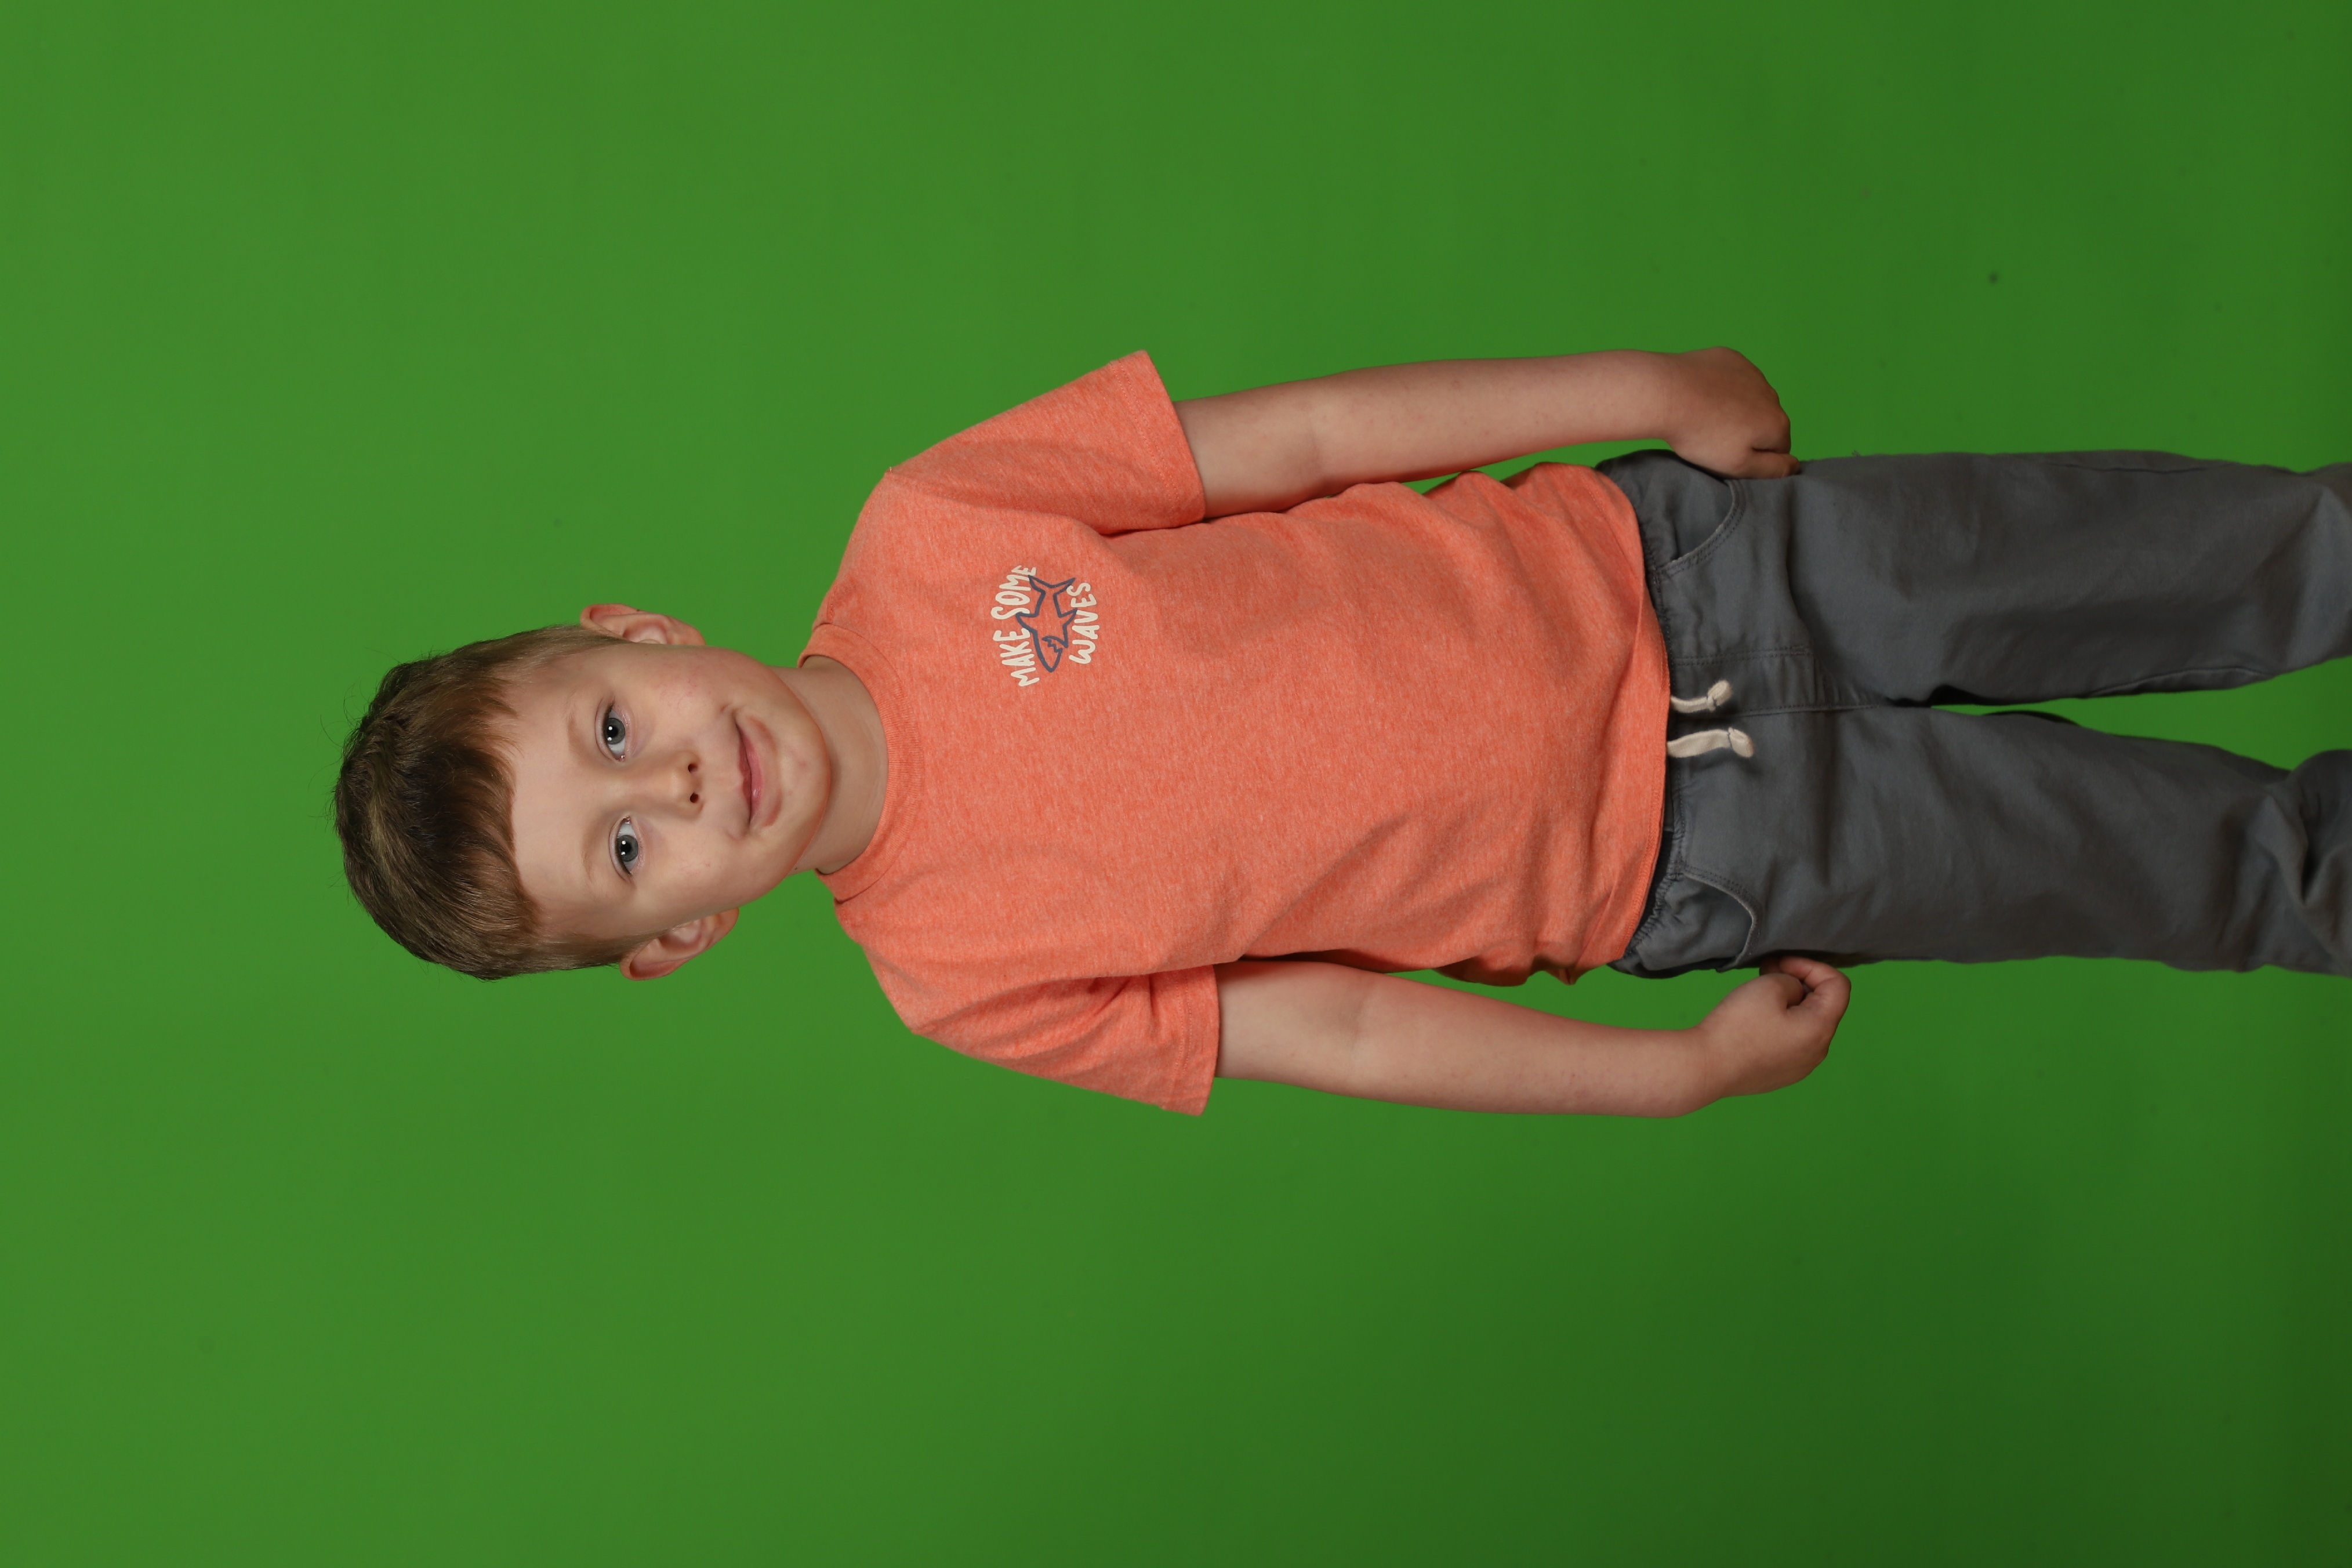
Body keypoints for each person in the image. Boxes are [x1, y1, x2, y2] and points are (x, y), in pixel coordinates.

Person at [333, 349, 2352, 1117]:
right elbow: (1344, 1030)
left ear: (639, 632)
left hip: (1696, 570)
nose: (679, 780)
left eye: (615, 725)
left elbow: (1295, 438)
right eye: (627, 846)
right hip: (1700, 855)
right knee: (2207, 871)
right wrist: (1660, 1083)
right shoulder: (957, 977)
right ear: (680, 935)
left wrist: (1636, 384)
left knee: (2214, 555)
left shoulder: (931, 524)